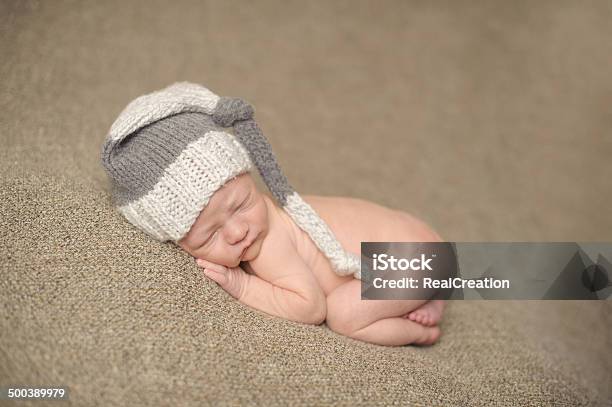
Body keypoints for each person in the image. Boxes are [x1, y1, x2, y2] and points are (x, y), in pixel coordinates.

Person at [101, 82, 445, 347]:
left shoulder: (268, 246)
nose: (238, 231)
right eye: (210, 234)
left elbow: (310, 308)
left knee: (343, 314)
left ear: (252, 178)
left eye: (241, 205)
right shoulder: (259, 218)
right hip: (417, 238)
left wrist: (242, 286)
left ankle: (417, 330)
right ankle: (429, 293)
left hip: (415, 260)